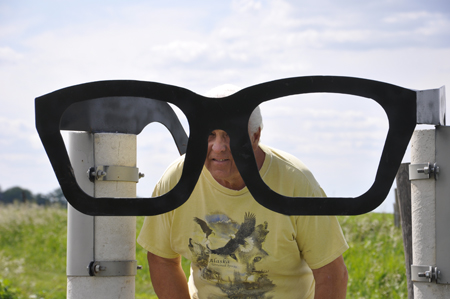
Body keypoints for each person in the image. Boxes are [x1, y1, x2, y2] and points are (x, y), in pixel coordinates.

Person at [137, 84, 349, 299]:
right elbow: (161, 259)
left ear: (256, 136)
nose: (218, 147)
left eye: (229, 135)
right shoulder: (177, 179)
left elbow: (331, 273)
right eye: (210, 134)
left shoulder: (295, 182)